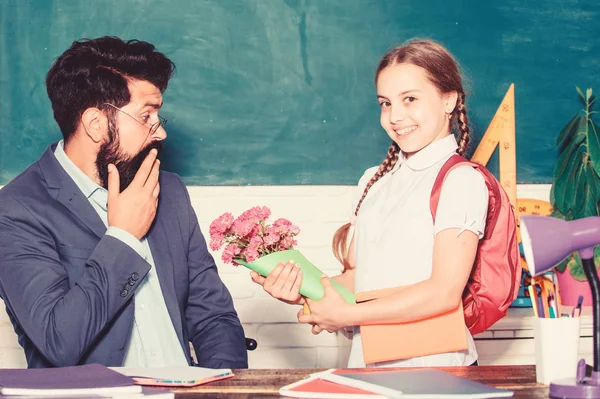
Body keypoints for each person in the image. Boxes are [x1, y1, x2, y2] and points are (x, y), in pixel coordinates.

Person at [0, 36, 248, 369]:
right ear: (95, 124)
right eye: (146, 116)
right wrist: (123, 238)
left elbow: (214, 317)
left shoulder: (169, 191)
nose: (159, 132)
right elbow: (59, 342)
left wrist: (221, 393)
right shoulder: (16, 211)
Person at [251, 38, 488, 367]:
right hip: (371, 363)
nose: (395, 116)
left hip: (438, 368)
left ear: (448, 99)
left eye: (410, 99)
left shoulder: (460, 180)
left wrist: (347, 314)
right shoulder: (374, 181)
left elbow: (443, 292)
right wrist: (302, 289)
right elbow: (359, 281)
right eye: (385, 103)